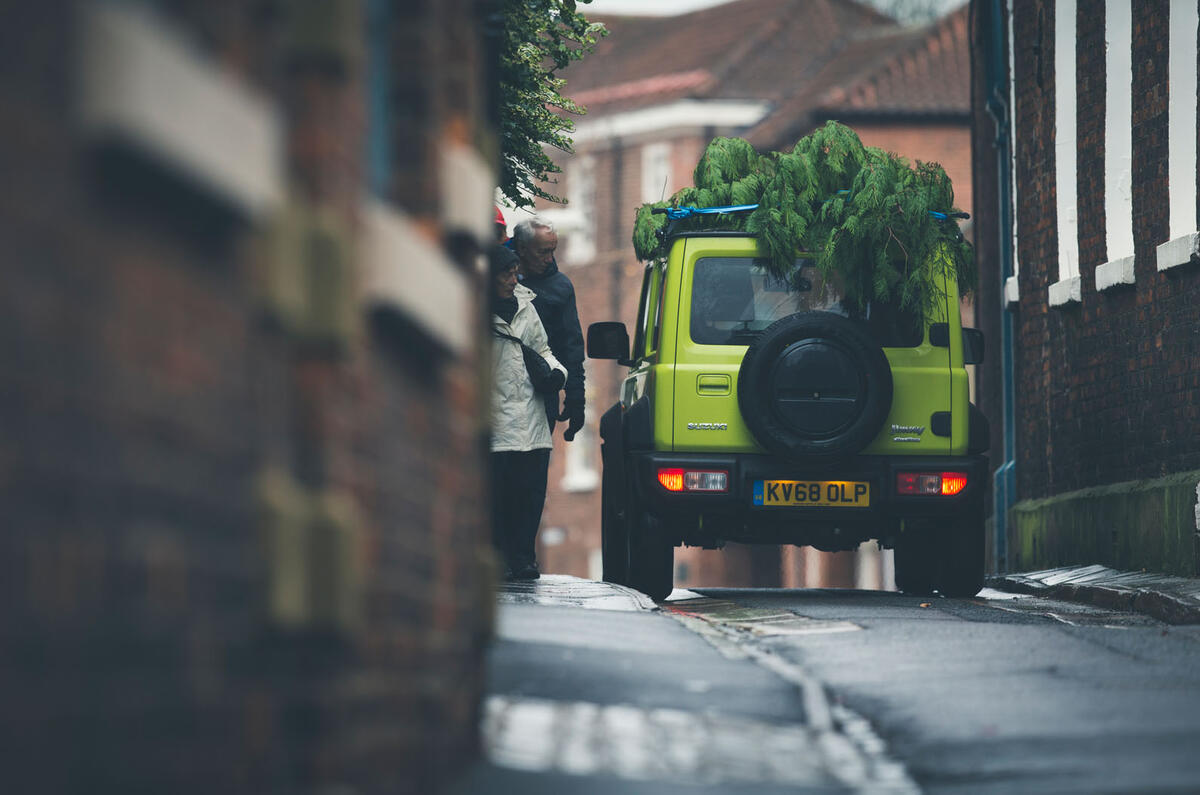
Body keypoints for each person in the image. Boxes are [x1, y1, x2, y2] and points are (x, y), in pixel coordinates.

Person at [489, 245, 566, 580]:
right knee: (499, 496)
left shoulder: (525, 304)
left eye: (514, 271)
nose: (512, 279)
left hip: (531, 422)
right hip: (497, 425)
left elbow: (542, 348)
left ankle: (523, 558)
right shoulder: (476, 314)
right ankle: (500, 557)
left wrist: (557, 371)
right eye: (506, 273)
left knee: (530, 495)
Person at [508, 217, 586, 441]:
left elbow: (571, 345)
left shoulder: (560, 287)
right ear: (522, 248)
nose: (549, 259)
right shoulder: (498, 278)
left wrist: (575, 398)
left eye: (553, 250)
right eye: (542, 252)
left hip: (543, 391)